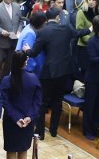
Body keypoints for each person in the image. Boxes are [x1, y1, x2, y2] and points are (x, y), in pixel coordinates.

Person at [26, 8, 90, 138]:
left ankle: (39, 132)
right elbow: (78, 33)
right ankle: (54, 131)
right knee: (57, 101)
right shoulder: (66, 29)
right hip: (64, 71)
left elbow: (34, 52)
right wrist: (90, 29)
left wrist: (26, 50)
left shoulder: (43, 31)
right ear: (57, 18)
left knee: (43, 102)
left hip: (49, 72)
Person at [0, 51, 42, 159]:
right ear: (26, 61)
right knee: (23, 148)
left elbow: (5, 102)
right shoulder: (33, 78)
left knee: (11, 149)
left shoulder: (7, 80)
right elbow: (37, 101)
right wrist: (29, 116)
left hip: (12, 121)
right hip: (28, 120)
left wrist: (16, 118)